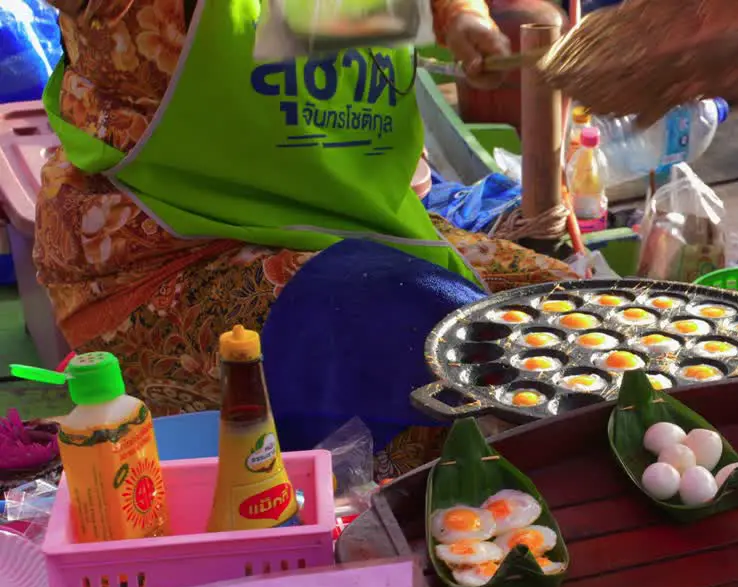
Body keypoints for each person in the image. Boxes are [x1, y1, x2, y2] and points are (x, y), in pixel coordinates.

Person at [35, 0, 579, 474]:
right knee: (429, 343)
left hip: (350, 221)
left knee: (566, 312)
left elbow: (351, 16)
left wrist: (461, 17)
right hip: (171, 249)